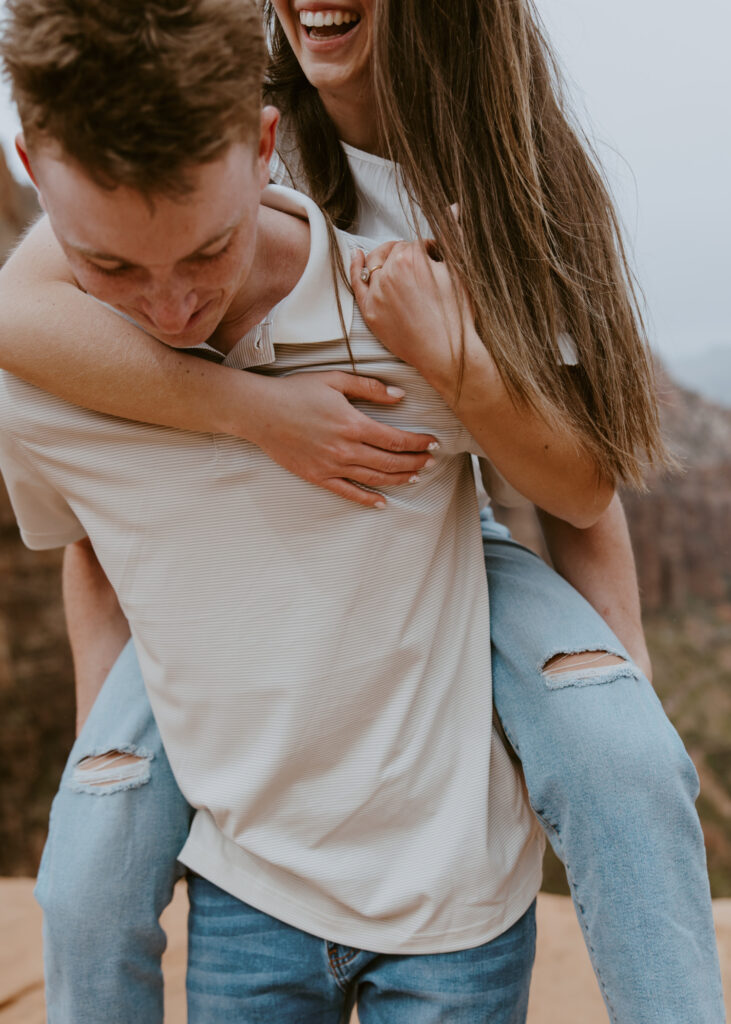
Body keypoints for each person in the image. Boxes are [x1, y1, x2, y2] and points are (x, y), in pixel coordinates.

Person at [0, 2, 723, 1023]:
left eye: (200, 257)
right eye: (119, 269)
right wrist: (251, 411)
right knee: (93, 852)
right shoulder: (213, 120)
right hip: (212, 564)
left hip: (438, 521)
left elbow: (578, 486)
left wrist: (616, 689)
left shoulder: (509, 185)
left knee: (624, 762)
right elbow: (32, 350)